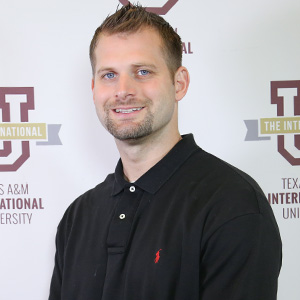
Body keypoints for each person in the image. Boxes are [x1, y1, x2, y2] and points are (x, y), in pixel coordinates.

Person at [49, 4, 282, 300]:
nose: (123, 90)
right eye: (109, 75)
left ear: (179, 83)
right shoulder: (78, 217)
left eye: (143, 71)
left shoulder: (233, 204)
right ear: (94, 88)